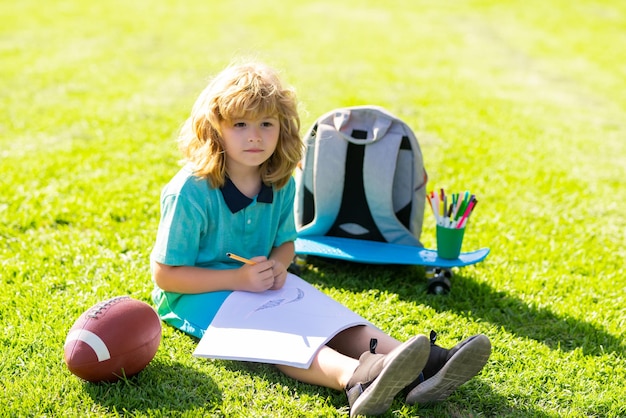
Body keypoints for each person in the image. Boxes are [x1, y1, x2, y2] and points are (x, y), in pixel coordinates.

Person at [150, 61, 491, 417]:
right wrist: (237, 279)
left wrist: (280, 265)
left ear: (282, 128)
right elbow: (166, 275)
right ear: (215, 128)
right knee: (280, 331)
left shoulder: (279, 181)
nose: (255, 136)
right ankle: (357, 378)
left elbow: (285, 245)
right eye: (240, 125)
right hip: (191, 295)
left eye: (266, 124)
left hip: (256, 282)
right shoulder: (191, 191)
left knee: (325, 315)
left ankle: (423, 364)